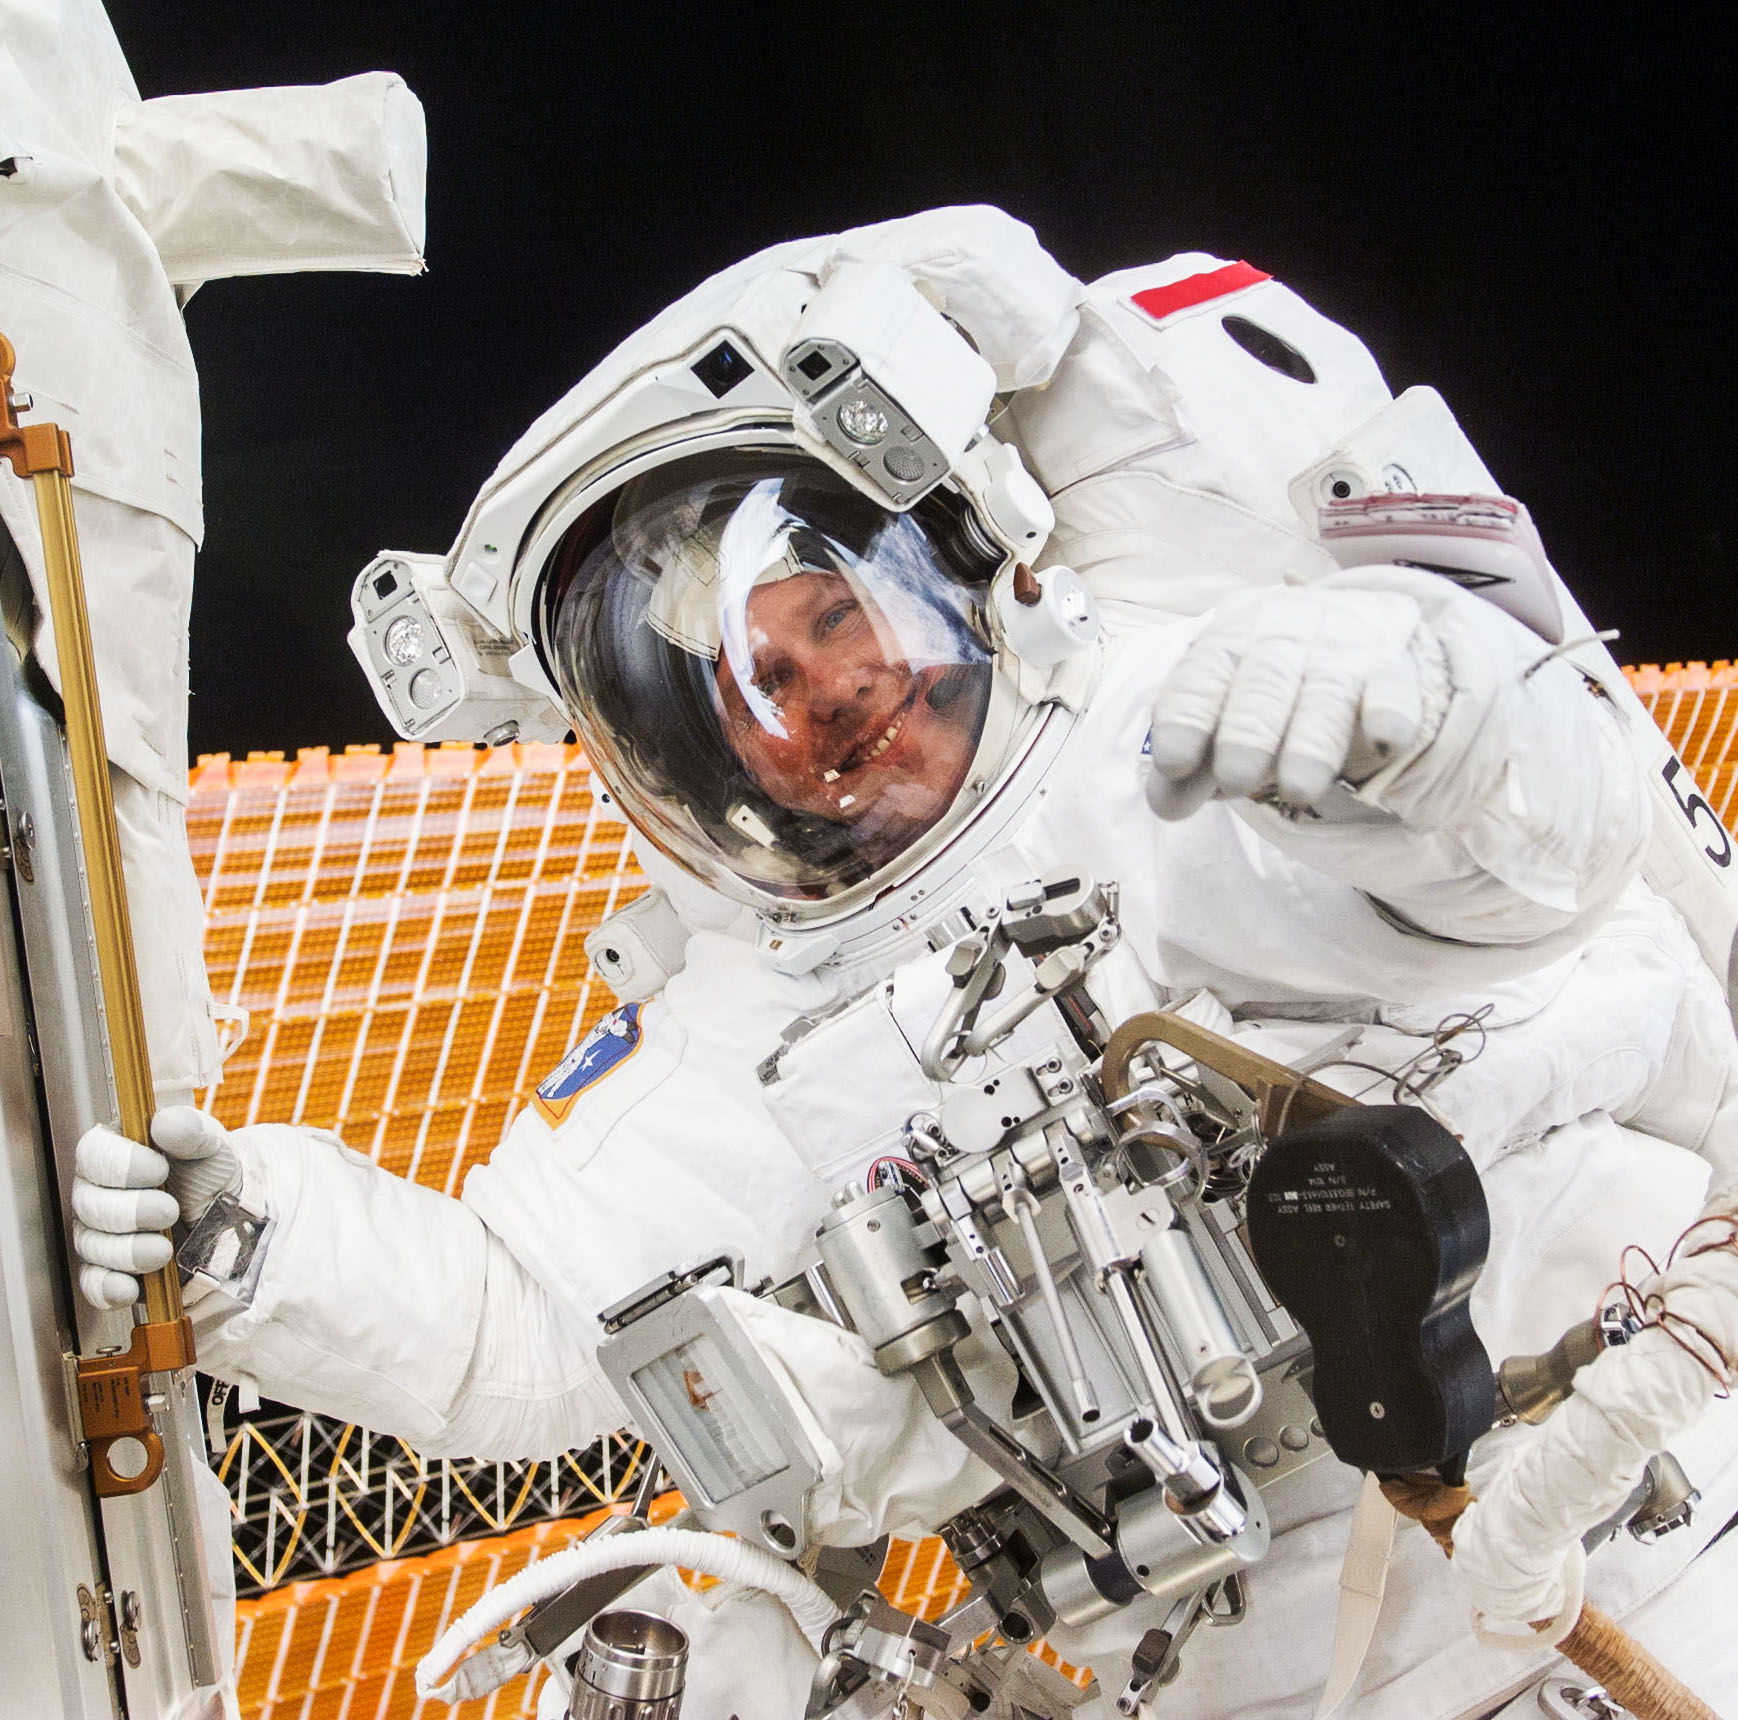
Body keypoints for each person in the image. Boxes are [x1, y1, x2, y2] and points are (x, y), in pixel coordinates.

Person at [72, 209, 1738, 1716]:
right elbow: (514, 1330)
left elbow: (1538, 875)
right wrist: (256, 1249)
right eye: (732, 685)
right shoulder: (746, 1024)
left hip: (1641, 1517)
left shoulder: (1174, 738)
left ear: (941, 558)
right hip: (1270, 1673)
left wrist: (1432, 714)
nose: (804, 692)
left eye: (822, 616)